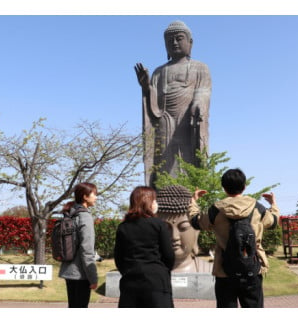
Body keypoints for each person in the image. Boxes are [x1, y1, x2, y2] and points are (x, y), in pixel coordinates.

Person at [135, 20, 212, 186]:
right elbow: (153, 102)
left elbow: (203, 90)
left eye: (179, 38)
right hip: (164, 119)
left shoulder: (200, 68)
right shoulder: (159, 71)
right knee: (162, 157)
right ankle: (162, 191)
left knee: (188, 155)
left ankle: (190, 191)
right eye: (170, 41)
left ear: (190, 43)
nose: (175, 43)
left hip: (188, 120)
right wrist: (146, 87)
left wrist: (198, 103)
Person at [189, 169, 280, 308]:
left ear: (224, 188)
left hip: (224, 270)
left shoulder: (216, 210)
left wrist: (193, 201)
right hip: (252, 269)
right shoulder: (257, 208)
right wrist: (273, 204)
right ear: (244, 186)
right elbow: (273, 222)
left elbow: (195, 221)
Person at [114, 186, 175, 307]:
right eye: (154, 200)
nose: (156, 203)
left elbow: (118, 258)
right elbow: (168, 256)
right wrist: (162, 270)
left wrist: (128, 271)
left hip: (130, 282)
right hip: (156, 281)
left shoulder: (123, 227)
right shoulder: (159, 225)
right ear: (148, 203)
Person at [58, 182, 99, 308]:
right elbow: (87, 250)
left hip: (68, 270)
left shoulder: (70, 214)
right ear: (85, 197)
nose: (96, 197)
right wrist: (93, 278)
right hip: (81, 274)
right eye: (94, 194)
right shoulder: (85, 217)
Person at [156, 185, 212, 273]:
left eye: (183, 227)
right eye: (166, 228)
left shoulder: (209, 271)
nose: (174, 237)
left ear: (196, 231)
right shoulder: (147, 274)